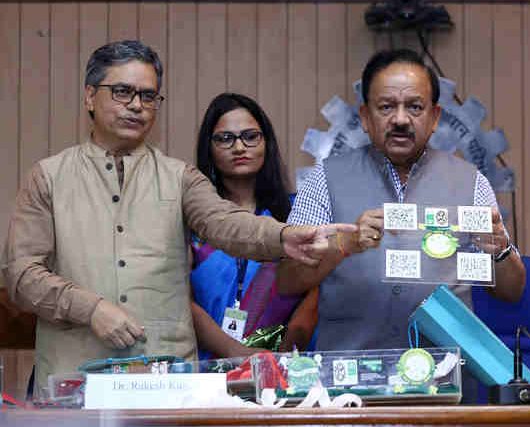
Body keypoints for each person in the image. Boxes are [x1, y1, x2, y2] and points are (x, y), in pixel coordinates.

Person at [1, 40, 352, 393]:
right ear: (90, 96)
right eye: (123, 92)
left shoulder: (179, 177)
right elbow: (20, 274)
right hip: (72, 377)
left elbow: (226, 222)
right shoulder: (48, 177)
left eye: (148, 96)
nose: (137, 105)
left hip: (164, 381)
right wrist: (90, 309)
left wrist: (284, 236)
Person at [276, 48, 526, 354]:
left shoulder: (471, 182)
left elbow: (512, 291)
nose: (400, 119)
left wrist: (500, 250)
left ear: (434, 118)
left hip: (445, 376)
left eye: (415, 107)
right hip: (350, 376)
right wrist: (341, 244)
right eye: (386, 107)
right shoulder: (325, 179)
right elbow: (287, 280)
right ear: (365, 117)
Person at [190, 93, 318, 359]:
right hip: (208, 370)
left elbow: (318, 292)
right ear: (209, 149)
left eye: (250, 136)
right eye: (225, 138)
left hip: (286, 363)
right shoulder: (192, 221)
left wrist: (281, 355)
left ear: (266, 144)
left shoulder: (297, 213)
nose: (239, 147)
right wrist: (237, 352)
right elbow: (180, 302)